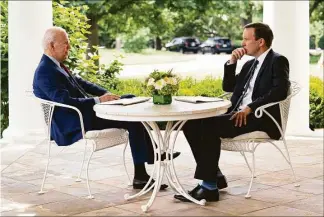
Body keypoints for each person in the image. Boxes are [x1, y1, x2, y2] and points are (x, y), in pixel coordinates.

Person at [33, 26, 180, 190]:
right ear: (52, 45)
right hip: (73, 122)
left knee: (129, 99)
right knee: (133, 120)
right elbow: (65, 101)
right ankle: (143, 173)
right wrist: (98, 101)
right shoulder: (45, 71)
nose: (69, 47)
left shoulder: (56, 65)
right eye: (65, 44)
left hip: (83, 113)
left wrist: (107, 95)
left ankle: (151, 158)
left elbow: (82, 83)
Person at [174, 22, 290, 202]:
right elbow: (228, 86)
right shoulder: (249, 64)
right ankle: (214, 175)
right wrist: (232, 62)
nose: (242, 43)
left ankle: (209, 187)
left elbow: (280, 90)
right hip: (236, 113)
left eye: (246, 39)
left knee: (209, 126)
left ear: (260, 42)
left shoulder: (277, 60)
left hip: (259, 117)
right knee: (191, 123)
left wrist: (250, 107)